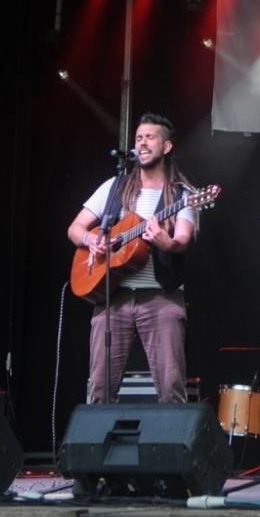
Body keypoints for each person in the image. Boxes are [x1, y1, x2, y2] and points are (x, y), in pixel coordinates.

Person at [68, 112, 197, 404]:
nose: (142, 142)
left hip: (161, 298)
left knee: (171, 388)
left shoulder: (182, 194)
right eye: (138, 138)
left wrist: (167, 241)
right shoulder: (114, 187)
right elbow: (74, 229)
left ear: (166, 147)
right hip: (113, 296)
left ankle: (171, 448)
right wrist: (92, 240)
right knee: (99, 389)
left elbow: (183, 239)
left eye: (150, 137)